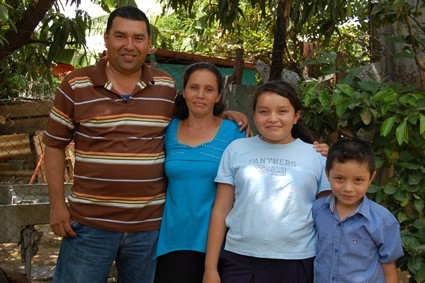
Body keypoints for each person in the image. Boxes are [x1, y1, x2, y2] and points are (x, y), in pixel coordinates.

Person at [42, 6, 248, 283]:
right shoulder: (76, 84)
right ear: (106, 38)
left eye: (138, 38)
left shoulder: (163, 85)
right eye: (120, 36)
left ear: (148, 43)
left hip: (149, 230)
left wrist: (223, 115)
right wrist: (57, 205)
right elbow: (54, 145)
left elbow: (193, 111)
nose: (129, 45)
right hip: (89, 225)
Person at [203, 80, 331, 283]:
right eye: (264, 111)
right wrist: (210, 268)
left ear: (296, 116)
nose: (273, 119)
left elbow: (329, 215)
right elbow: (221, 209)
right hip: (240, 259)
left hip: (297, 260)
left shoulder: (316, 156)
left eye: (282, 111)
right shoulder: (237, 149)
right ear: (253, 115)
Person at [154, 62, 246, 283]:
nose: (200, 95)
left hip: (219, 244)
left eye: (209, 89)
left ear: (218, 95)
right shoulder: (168, 129)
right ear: (183, 91)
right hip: (172, 241)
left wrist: (318, 150)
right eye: (194, 88)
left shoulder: (235, 132)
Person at [312, 138, 404, 283]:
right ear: (327, 174)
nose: (348, 188)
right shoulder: (317, 210)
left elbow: (389, 272)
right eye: (339, 178)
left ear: (371, 177)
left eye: (358, 180)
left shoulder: (383, 221)